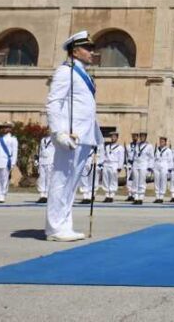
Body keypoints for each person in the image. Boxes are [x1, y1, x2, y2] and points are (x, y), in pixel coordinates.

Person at [44, 31, 103, 241]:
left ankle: (64, 225)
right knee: (61, 180)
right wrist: (58, 131)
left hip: (84, 137)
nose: (91, 52)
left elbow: (87, 109)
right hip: (70, 136)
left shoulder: (83, 74)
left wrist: (96, 137)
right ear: (75, 51)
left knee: (71, 184)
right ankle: (54, 227)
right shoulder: (65, 72)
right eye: (87, 48)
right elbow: (54, 103)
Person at [0, 122, 19, 203]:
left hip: (6, 161)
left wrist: (13, 163)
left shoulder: (13, 139)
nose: (4, 128)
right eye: (4, 127)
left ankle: (3, 195)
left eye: (7, 127)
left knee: (4, 179)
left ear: (10, 129)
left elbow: (14, 152)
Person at [130, 132, 154, 205]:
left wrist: (150, 167)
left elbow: (151, 157)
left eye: (143, 136)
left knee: (142, 181)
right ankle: (136, 196)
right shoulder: (137, 145)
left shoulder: (149, 146)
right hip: (136, 164)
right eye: (141, 136)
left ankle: (141, 197)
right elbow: (134, 155)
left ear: (146, 137)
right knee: (135, 181)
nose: (142, 138)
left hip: (144, 164)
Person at [101, 132, 124, 203]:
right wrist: (102, 164)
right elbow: (104, 156)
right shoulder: (107, 147)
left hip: (114, 164)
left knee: (113, 180)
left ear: (117, 138)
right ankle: (107, 195)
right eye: (112, 137)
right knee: (106, 180)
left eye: (114, 137)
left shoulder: (120, 147)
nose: (113, 138)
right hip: (107, 164)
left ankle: (111, 195)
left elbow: (121, 157)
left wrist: (120, 166)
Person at [34, 134, 55, 204]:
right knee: (41, 178)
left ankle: (47, 195)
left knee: (49, 178)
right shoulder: (43, 139)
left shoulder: (54, 139)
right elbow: (40, 150)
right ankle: (42, 195)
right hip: (42, 161)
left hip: (50, 161)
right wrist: (37, 159)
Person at [153, 137, 174, 203]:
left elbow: (170, 160)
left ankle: (161, 196)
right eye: (160, 141)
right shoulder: (157, 149)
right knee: (156, 181)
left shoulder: (168, 150)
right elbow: (154, 158)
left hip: (164, 165)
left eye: (163, 141)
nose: (161, 142)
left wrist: (169, 169)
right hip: (157, 165)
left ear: (165, 142)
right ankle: (157, 196)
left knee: (163, 181)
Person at [124, 132, 138, 202]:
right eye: (133, 136)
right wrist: (125, 164)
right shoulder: (128, 146)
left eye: (135, 136)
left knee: (135, 180)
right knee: (129, 180)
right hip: (129, 164)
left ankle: (134, 195)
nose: (134, 137)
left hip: (136, 164)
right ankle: (129, 194)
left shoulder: (139, 146)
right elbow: (126, 156)